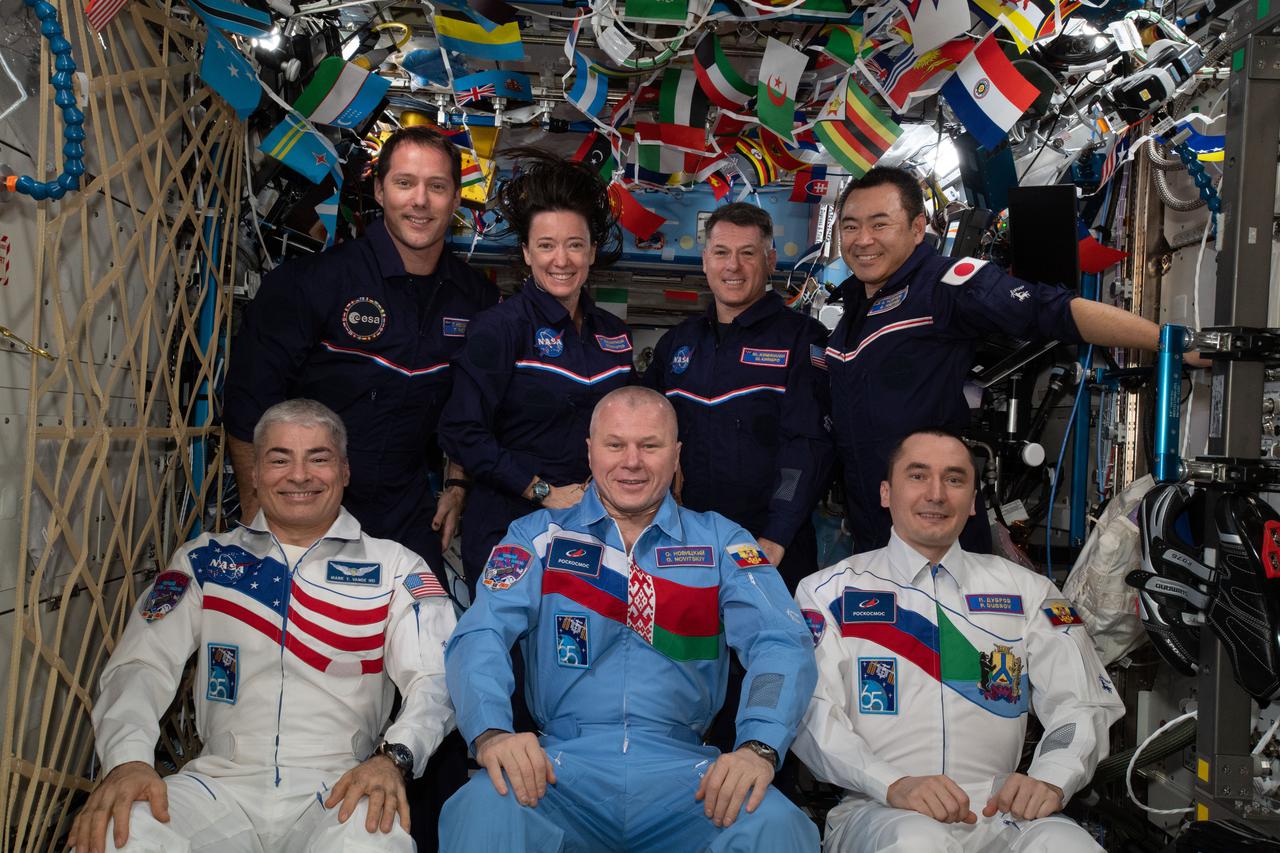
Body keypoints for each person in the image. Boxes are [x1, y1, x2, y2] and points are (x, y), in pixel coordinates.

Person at [439, 387, 820, 852]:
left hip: (687, 776)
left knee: (776, 825)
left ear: (677, 454)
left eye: (650, 445)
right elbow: (481, 632)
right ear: (590, 449)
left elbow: (780, 642)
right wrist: (493, 732)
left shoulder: (722, 541)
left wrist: (758, 746)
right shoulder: (537, 536)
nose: (632, 462)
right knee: (483, 806)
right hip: (559, 771)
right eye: (615, 444)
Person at [68, 400, 456, 853]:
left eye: (319, 458)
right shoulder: (206, 561)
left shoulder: (395, 567)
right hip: (219, 784)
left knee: (375, 842)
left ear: (345, 471)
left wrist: (394, 758)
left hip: (340, 786)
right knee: (118, 834)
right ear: (253, 473)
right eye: (279, 459)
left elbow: (437, 679)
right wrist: (127, 761)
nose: (299, 475)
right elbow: (140, 665)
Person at [792, 429, 1124, 853]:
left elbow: (1083, 701)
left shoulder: (1029, 592)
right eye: (917, 476)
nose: (936, 494)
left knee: (1071, 847)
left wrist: (1051, 778)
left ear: (972, 501)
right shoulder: (827, 593)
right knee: (918, 844)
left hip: (1001, 811)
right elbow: (813, 716)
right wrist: (893, 784)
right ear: (885, 493)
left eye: (954, 479)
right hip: (880, 810)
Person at [825, 166, 1175, 555]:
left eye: (880, 224)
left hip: (934, 524)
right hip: (871, 525)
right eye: (851, 227)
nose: (863, 240)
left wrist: (1170, 343)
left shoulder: (945, 286)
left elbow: (1051, 310)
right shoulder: (854, 303)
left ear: (918, 227)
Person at [224, 125, 499, 577]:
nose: (420, 201)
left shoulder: (476, 300)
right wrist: (259, 518)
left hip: (406, 509)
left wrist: (456, 485)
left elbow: (475, 408)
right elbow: (246, 403)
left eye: (437, 186)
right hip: (307, 499)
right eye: (405, 183)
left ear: (455, 200)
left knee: (428, 630)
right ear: (379, 189)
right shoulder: (311, 283)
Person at [438, 149, 633, 593]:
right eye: (546, 245)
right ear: (526, 253)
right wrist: (539, 490)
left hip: (595, 530)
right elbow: (461, 431)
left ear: (592, 251)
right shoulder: (500, 329)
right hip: (510, 526)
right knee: (513, 660)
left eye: (574, 244)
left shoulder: (615, 336)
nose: (560, 259)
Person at [642, 202, 833, 592]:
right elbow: (643, 432)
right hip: (683, 542)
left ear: (771, 261)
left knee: (770, 651)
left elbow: (808, 445)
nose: (733, 266)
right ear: (705, 261)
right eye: (721, 252)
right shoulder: (678, 342)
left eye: (748, 253)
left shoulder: (801, 339)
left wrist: (777, 534)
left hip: (769, 545)